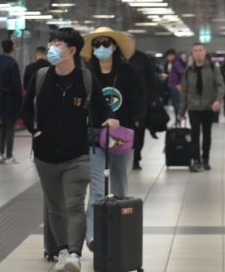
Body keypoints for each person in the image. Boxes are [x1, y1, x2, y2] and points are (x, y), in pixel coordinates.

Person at [22, 28, 118, 272]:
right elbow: (24, 109)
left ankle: (75, 254)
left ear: (72, 50)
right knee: (55, 206)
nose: (53, 47)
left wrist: (110, 119)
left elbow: (102, 106)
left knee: (74, 205)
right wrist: (34, 131)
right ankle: (62, 250)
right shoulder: (40, 77)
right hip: (45, 156)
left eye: (58, 43)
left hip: (77, 155)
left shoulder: (85, 79)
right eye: (52, 42)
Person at [81, 27, 145, 250]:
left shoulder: (127, 72)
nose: (101, 48)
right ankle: (92, 236)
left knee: (119, 186)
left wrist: (136, 121)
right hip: (95, 136)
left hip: (121, 138)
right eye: (96, 44)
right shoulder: (87, 74)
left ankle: (119, 229)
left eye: (105, 43)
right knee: (97, 188)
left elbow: (139, 99)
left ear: (114, 46)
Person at [177, 42, 225, 172]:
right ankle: (196, 160)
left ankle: (205, 159)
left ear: (205, 52)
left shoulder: (213, 68)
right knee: (195, 134)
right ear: (192, 53)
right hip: (193, 107)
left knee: (207, 134)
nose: (198, 53)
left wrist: (218, 100)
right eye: (195, 50)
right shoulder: (188, 71)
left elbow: (221, 85)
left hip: (208, 106)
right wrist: (181, 111)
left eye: (200, 50)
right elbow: (184, 91)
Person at [125, 33, 163, 170]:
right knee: (123, 130)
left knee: (138, 131)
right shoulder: (118, 58)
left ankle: (136, 158)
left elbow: (152, 79)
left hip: (141, 101)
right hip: (122, 102)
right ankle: (123, 156)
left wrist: (155, 98)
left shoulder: (142, 59)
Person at [0, 39, 22, 164]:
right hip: (11, 98)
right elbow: (16, 84)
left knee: (2, 126)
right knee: (10, 127)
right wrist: (20, 101)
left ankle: (0, 153)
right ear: (12, 48)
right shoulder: (12, 64)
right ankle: (9, 155)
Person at [165, 49, 185, 118]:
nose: (167, 58)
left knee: (176, 105)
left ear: (171, 55)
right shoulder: (175, 62)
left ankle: (178, 120)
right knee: (176, 104)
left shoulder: (176, 63)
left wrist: (179, 84)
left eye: (168, 56)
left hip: (175, 87)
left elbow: (182, 73)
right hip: (174, 86)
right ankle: (178, 120)